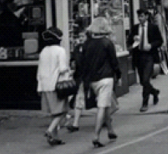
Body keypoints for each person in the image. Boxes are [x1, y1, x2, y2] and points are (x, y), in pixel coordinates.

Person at [82, 18, 122, 148]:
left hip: (93, 79)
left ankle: (110, 131)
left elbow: (84, 63)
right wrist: (118, 75)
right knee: (102, 106)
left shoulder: (87, 44)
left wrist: (85, 80)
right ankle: (96, 135)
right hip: (106, 77)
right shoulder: (107, 43)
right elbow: (113, 61)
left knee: (105, 104)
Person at [36, 27, 70, 146]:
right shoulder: (60, 51)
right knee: (62, 111)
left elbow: (39, 71)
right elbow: (62, 69)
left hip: (45, 85)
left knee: (53, 113)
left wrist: (39, 87)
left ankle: (55, 138)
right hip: (57, 85)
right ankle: (50, 131)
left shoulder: (43, 51)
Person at [127, 9, 162, 112]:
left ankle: (144, 103)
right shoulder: (135, 28)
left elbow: (160, 41)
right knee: (143, 81)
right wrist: (134, 38)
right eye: (139, 16)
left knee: (146, 79)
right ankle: (155, 92)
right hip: (138, 56)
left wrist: (151, 45)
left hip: (149, 56)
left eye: (142, 16)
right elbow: (129, 41)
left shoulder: (153, 28)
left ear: (146, 17)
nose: (140, 18)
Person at [66, 30, 87, 132]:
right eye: (80, 36)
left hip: (92, 77)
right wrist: (72, 63)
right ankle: (75, 124)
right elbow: (73, 59)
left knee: (99, 99)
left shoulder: (91, 47)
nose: (81, 38)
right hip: (80, 77)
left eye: (83, 36)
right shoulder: (77, 48)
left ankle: (106, 119)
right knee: (79, 98)